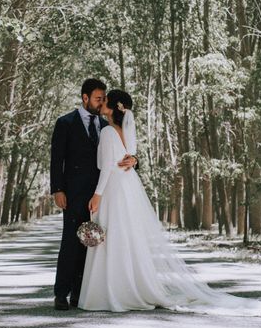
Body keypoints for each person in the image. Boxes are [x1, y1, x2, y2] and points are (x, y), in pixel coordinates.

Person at [78, 89, 249, 313]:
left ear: (115, 107)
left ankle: (111, 292)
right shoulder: (124, 131)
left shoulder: (109, 132)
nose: (102, 104)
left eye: (106, 101)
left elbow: (108, 167)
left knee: (112, 238)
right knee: (125, 238)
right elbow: (128, 157)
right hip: (127, 188)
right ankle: (131, 287)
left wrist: (97, 194)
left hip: (112, 188)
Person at [50, 79, 138, 310]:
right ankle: (62, 293)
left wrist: (135, 161)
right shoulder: (65, 123)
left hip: (103, 194)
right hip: (74, 193)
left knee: (93, 245)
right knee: (71, 241)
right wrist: (57, 189)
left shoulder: (107, 124)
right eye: (98, 98)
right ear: (85, 97)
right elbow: (56, 159)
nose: (101, 103)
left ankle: (82, 293)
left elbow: (119, 155)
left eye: (103, 99)